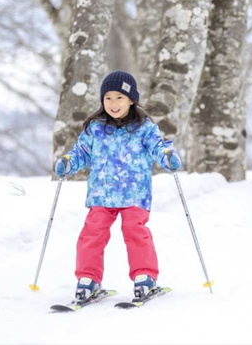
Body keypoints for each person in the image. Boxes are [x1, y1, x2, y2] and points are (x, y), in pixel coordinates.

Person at [54, 70, 182, 304]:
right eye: (108, 98)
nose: (113, 103)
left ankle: (145, 277)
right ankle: (88, 279)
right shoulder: (95, 128)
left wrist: (167, 155)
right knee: (92, 233)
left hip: (135, 192)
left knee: (135, 231)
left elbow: (158, 146)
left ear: (131, 99)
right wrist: (69, 162)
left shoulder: (144, 127)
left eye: (119, 97)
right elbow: (81, 152)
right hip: (102, 193)